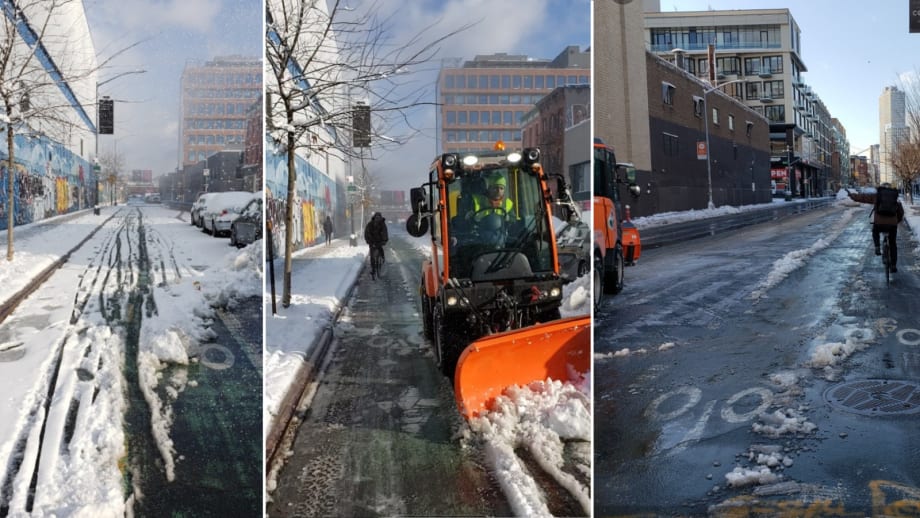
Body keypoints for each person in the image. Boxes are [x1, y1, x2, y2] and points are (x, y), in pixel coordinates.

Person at [848, 183, 905, 272]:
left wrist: (852, 196)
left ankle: (877, 246)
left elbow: (863, 197)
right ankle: (893, 265)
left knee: (875, 231)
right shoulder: (895, 197)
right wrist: (897, 221)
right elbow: (901, 212)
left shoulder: (877, 196)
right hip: (892, 225)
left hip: (879, 223)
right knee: (893, 243)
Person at [363, 212, 388, 278]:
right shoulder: (381, 224)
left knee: (373, 256)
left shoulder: (370, 224)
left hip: (373, 242)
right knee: (378, 254)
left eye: (378, 217)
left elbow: (366, 233)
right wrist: (384, 241)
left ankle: (373, 270)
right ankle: (376, 267)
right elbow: (385, 233)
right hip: (376, 242)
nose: (377, 219)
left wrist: (368, 240)